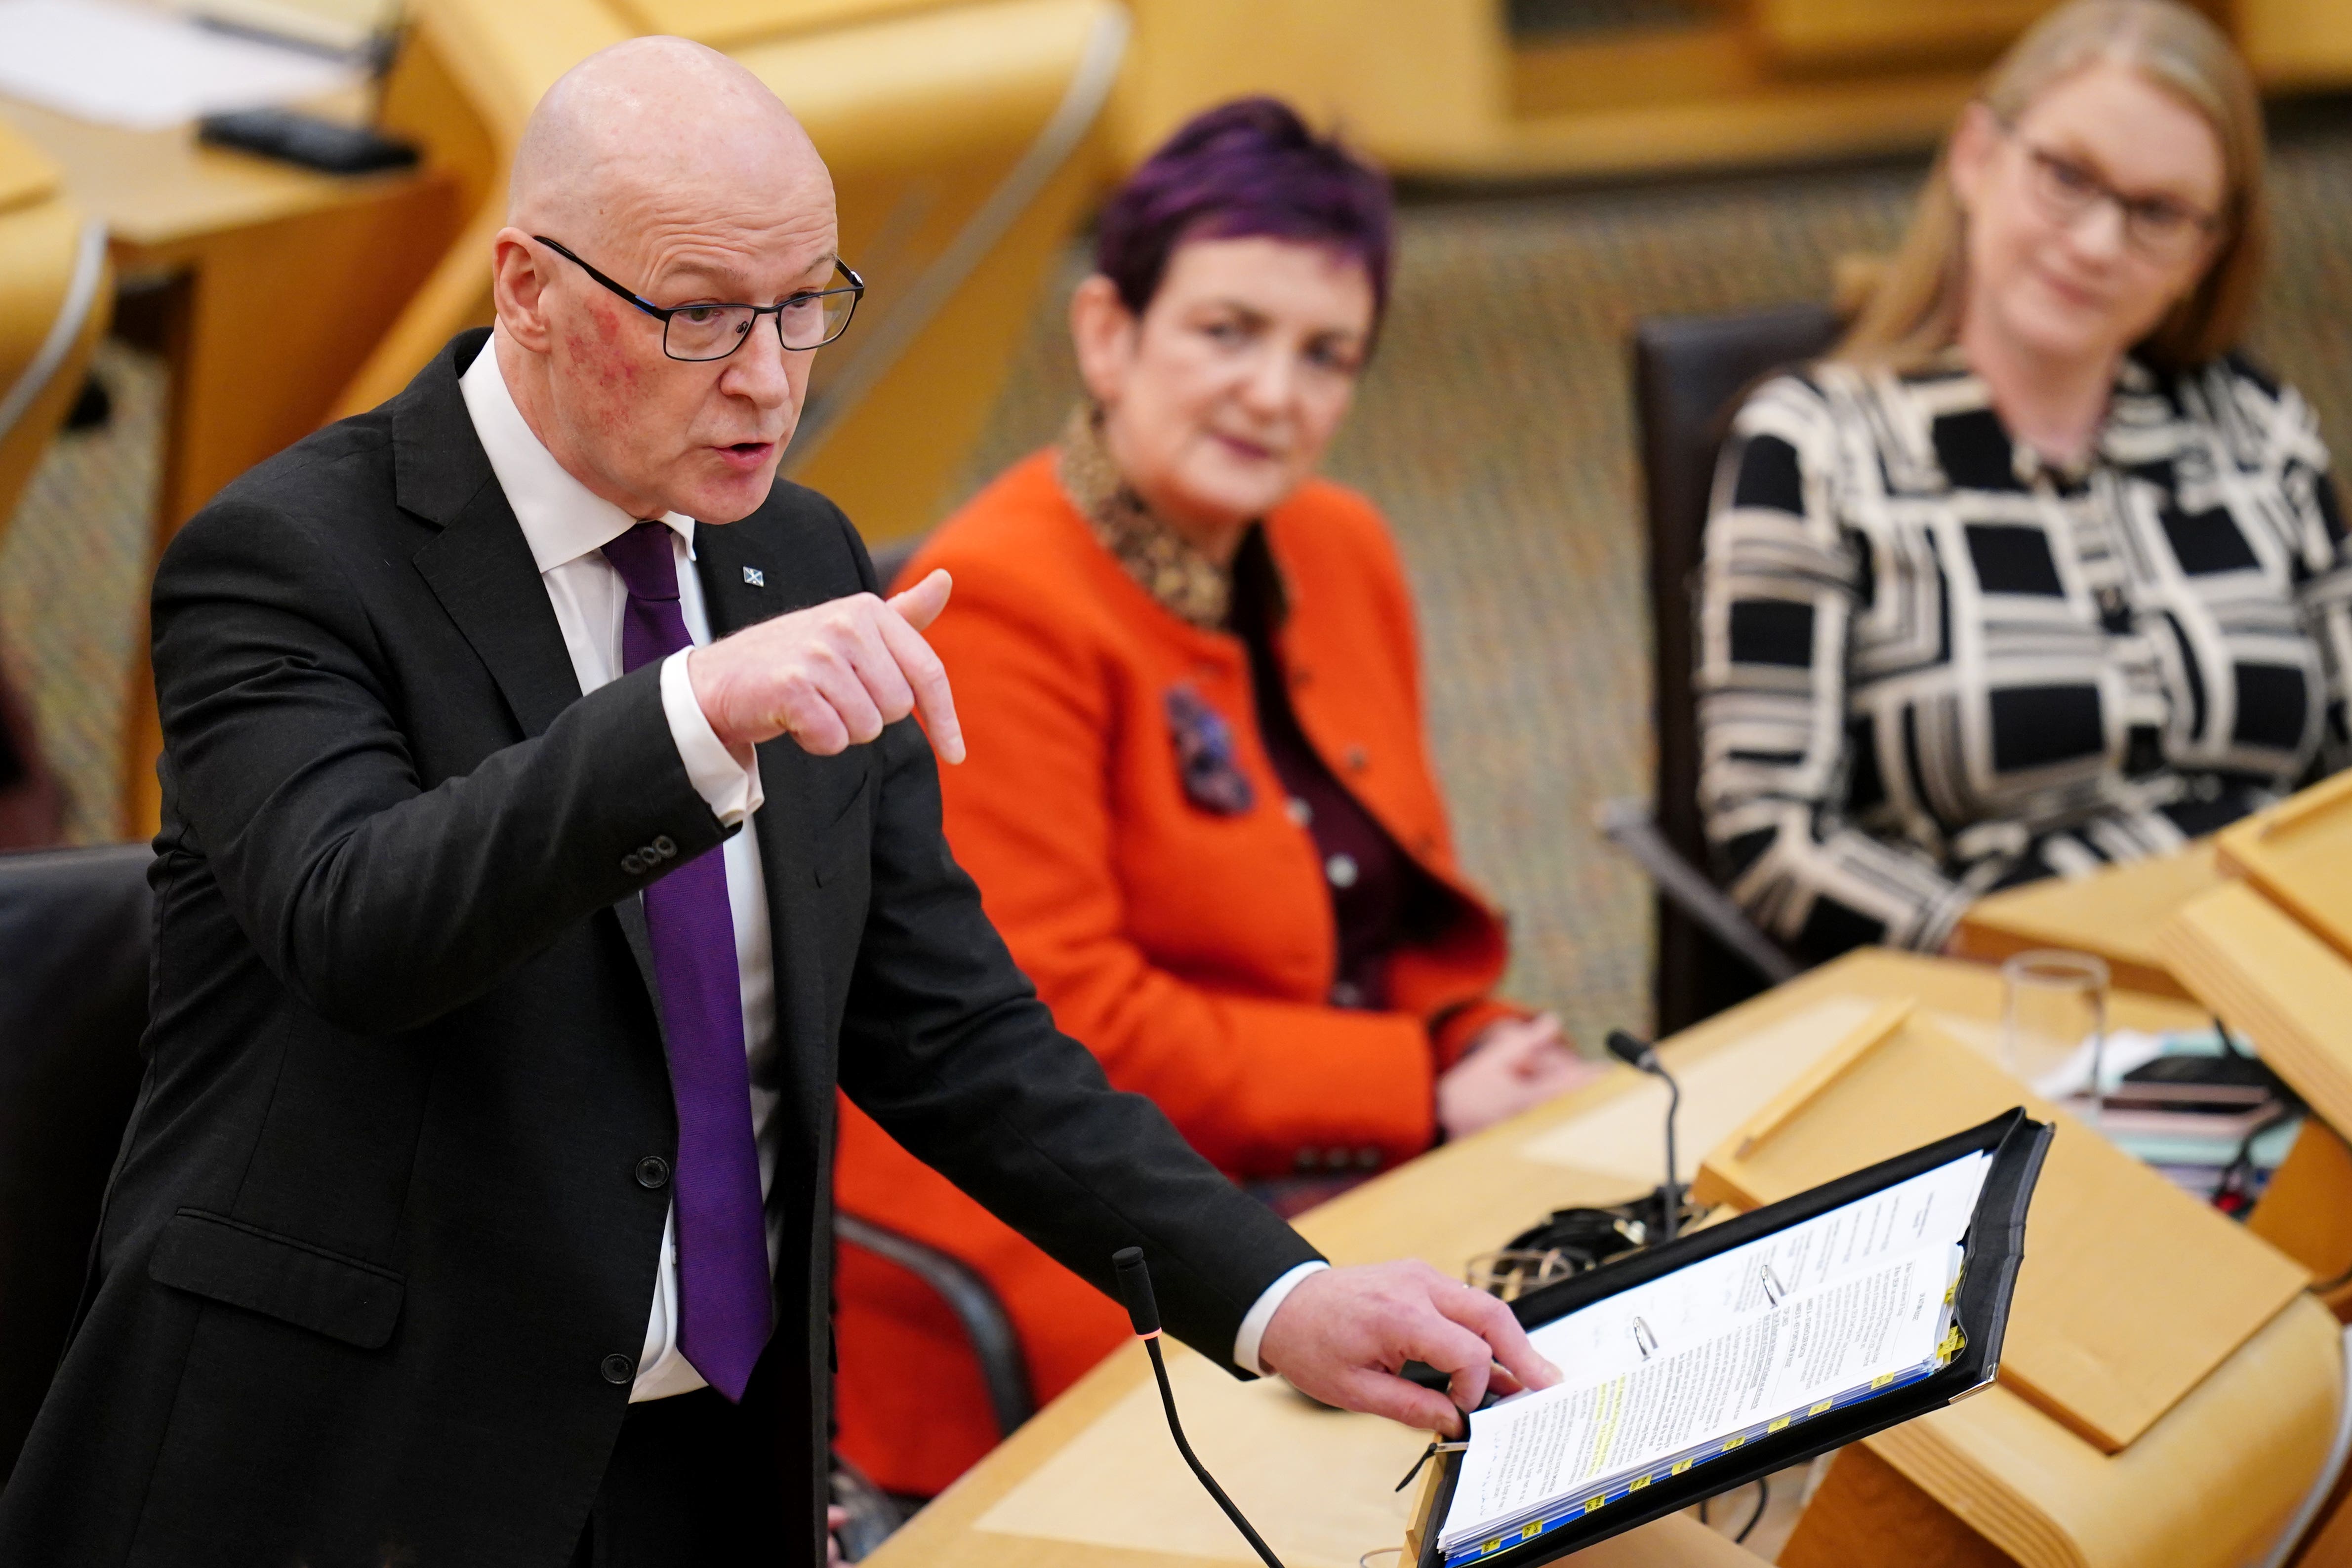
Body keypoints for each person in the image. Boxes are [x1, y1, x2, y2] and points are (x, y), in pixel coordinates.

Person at [0, 42, 1564, 1568]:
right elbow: (362, 921)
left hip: (707, 1463)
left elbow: (953, 1035)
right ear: (528, 291)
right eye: (698, 317)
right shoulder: (287, 561)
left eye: (805, 302)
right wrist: (687, 717)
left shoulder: (799, 557)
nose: (770, 379)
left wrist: (1277, 1300)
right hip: (350, 1471)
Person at [832, 98, 1602, 1498]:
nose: (1275, 395)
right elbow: (1064, 1025)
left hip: (1314, 1151)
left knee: (1613, 1287)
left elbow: (1385, 904)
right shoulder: (999, 604)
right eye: (1226, 332)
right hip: (1058, 1210)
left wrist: (1494, 1050)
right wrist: (1424, 1088)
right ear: (1107, 335)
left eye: (1326, 357)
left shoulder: (1340, 543)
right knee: (1464, 1421)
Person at [1698, 0, 2350, 965]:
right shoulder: (1815, 448)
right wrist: (2038, 955)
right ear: (1974, 157)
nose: (2093, 243)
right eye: (2066, 176)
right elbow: (1771, 842)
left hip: (2281, 983)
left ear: (2202, 255)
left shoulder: (2253, 428)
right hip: (2008, 1008)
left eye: (2157, 213)